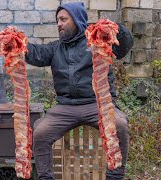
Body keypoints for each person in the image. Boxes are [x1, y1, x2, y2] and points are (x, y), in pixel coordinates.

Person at [25, 2, 133, 180]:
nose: (59, 23)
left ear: (76, 20)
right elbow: (37, 53)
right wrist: (18, 43)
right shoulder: (55, 48)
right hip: (65, 107)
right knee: (40, 132)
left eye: (63, 19)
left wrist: (116, 28)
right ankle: (45, 177)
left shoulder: (99, 40)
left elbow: (122, 48)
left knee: (119, 125)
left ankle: (115, 176)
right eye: (57, 20)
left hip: (97, 104)